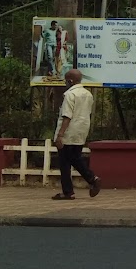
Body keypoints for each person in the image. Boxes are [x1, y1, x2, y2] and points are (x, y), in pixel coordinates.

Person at [52, 68, 102, 199]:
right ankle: (87, 182)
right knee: (75, 157)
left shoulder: (70, 95)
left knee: (65, 161)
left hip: (69, 132)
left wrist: (60, 134)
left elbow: (67, 116)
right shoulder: (88, 94)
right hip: (81, 131)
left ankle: (77, 186)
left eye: (66, 81)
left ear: (70, 81)